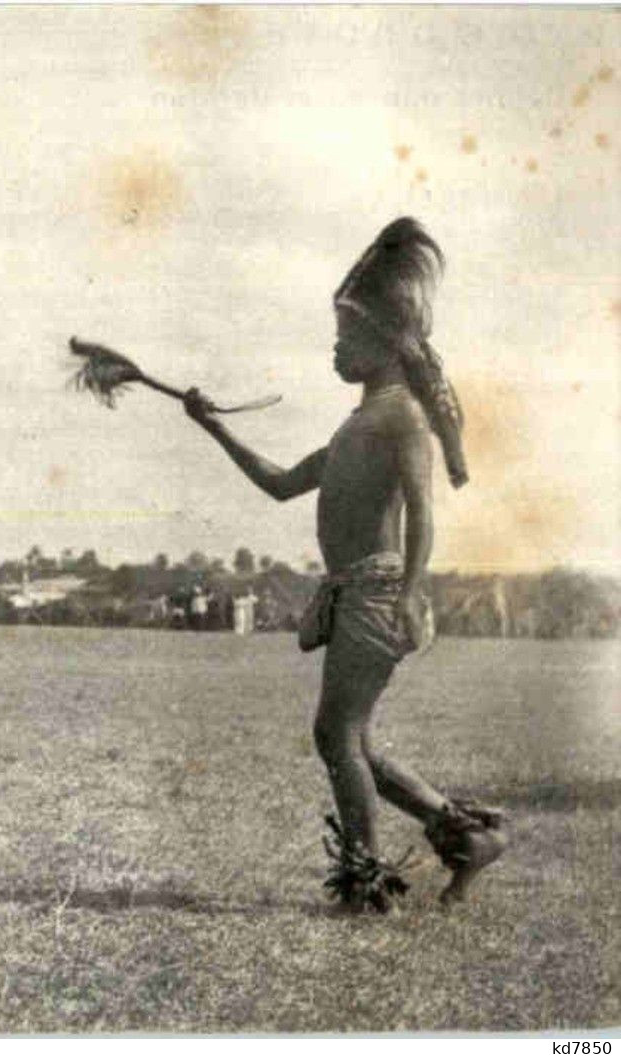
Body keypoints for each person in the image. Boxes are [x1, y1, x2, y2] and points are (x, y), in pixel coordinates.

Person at [180, 217, 506, 913]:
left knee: (336, 733)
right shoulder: (356, 423)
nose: (334, 347)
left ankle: (363, 882)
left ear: (384, 342)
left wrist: (412, 592)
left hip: (376, 594)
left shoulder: (401, 419)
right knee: (350, 736)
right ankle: (464, 838)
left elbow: (422, 511)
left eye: (345, 336)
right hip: (357, 594)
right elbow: (275, 481)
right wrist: (212, 426)